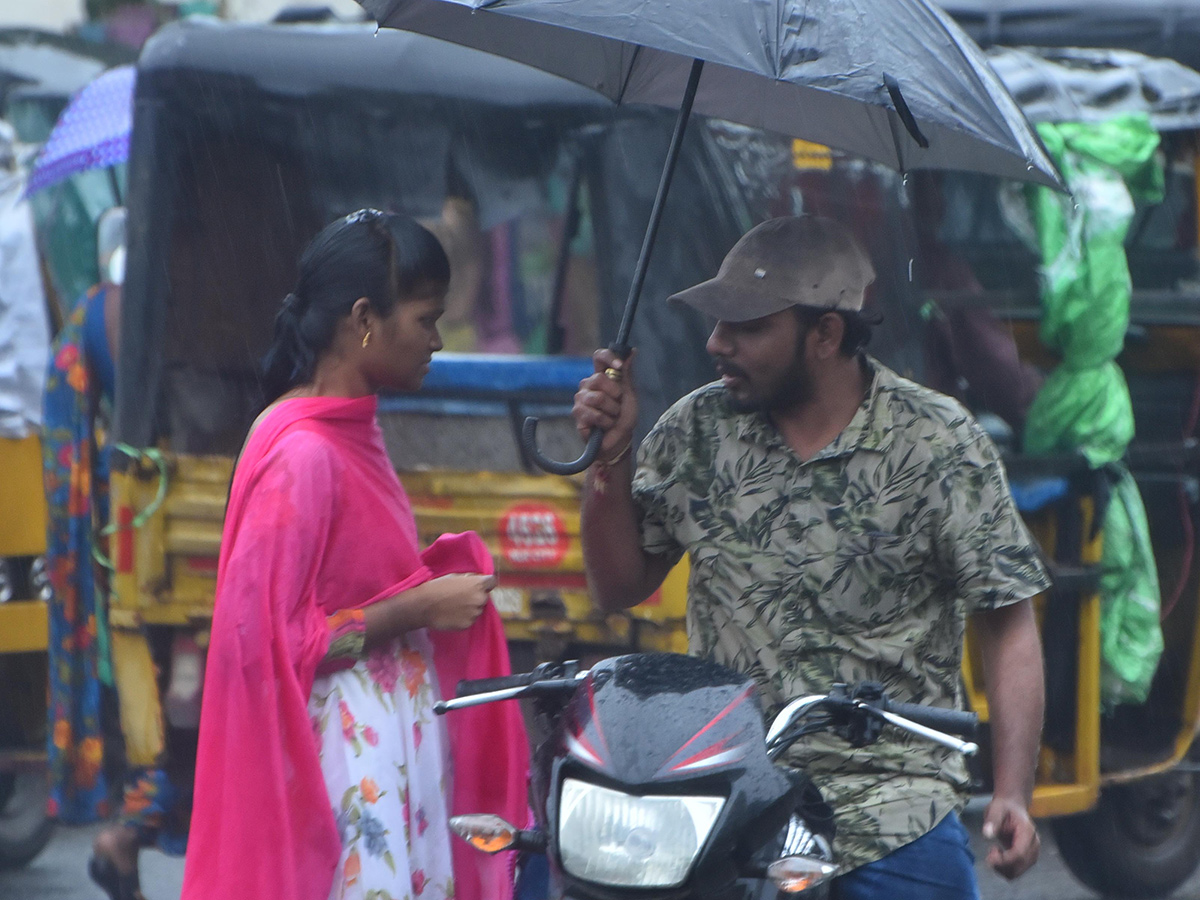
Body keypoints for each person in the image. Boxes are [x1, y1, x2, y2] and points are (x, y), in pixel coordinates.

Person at [572, 216, 1049, 899]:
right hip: (722, 792)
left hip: (893, 802)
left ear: (826, 335)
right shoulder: (697, 431)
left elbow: (1010, 623)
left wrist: (1013, 792)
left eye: (747, 327)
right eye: (717, 323)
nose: (717, 344)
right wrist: (610, 455)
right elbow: (617, 586)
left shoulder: (938, 444)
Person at [180, 210, 509, 900]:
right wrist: (418, 606)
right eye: (424, 320)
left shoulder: (348, 429)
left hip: (388, 745)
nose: (437, 341)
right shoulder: (303, 455)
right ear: (364, 319)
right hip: (347, 758)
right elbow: (266, 642)